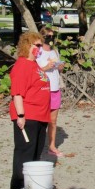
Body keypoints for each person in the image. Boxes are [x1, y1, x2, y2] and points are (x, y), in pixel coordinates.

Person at [9, 32, 50, 189]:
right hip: (28, 114)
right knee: (25, 149)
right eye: (37, 45)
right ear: (28, 46)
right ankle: (18, 183)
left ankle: (31, 182)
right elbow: (17, 93)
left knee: (36, 150)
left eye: (41, 45)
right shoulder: (21, 65)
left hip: (41, 114)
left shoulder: (34, 64)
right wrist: (20, 115)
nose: (40, 49)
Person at [37, 26, 65, 157]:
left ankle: (52, 146)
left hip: (55, 89)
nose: (51, 39)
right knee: (40, 120)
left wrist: (60, 67)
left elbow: (59, 71)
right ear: (42, 37)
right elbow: (34, 71)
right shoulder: (38, 52)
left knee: (53, 121)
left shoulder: (55, 52)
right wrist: (45, 67)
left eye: (53, 36)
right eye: (48, 36)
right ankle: (37, 146)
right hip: (43, 89)